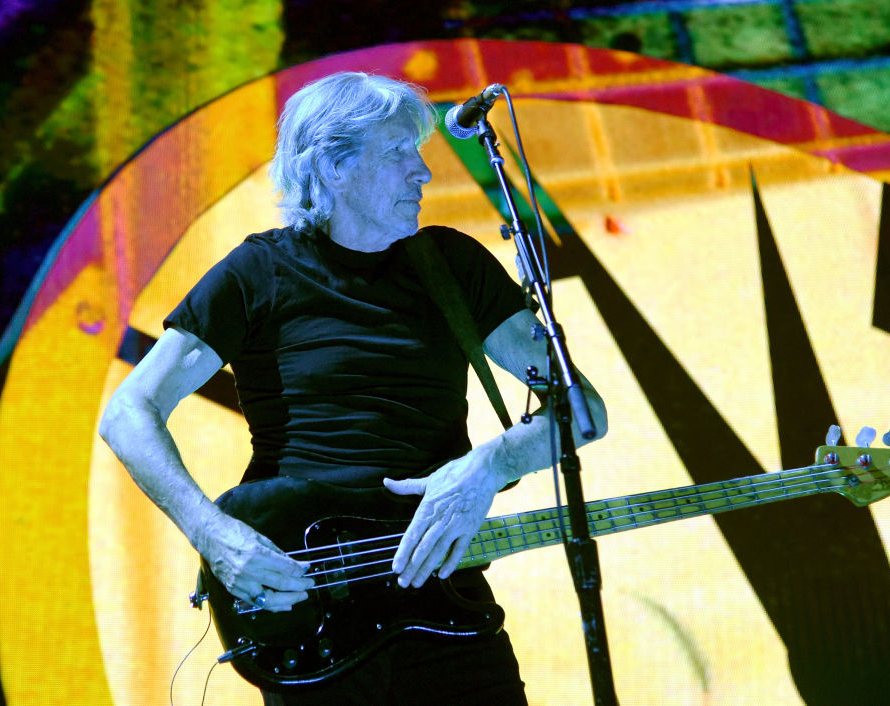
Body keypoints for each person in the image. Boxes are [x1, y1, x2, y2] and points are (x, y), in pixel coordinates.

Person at [99, 72, 607, 705]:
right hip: (310, 605)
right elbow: (129, 411)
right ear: (333, 167)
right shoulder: (258, 273)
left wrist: (488, 466)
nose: (422, 173)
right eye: (398, 153)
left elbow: (581, 410)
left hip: (447, 601)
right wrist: (212, 534)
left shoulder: (452, 264)